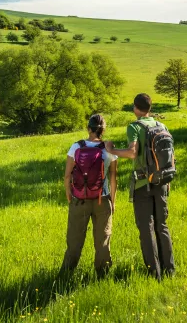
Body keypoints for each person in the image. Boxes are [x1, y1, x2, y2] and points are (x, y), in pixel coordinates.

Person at [106, 93, 176, 280]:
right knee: (161, 225)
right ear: (150, 108)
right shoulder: (162, 126)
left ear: (135, 108)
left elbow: (132, 152)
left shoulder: (134, 127)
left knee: (146, 228)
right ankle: (170, 270)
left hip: (143, 184)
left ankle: (155, 273)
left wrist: (112, 150)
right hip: (162, 182)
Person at [61, 113, 118, 277]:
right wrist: (112, 201)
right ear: (103, 130)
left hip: (79, 199)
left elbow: (67, 175)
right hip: (103, 199)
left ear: (88, 128)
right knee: (102, 241)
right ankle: (102, 276)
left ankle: (66, 274)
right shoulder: (109, 149)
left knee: (74, 240)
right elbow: (113, 177)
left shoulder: (76, 147)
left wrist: (69, 194)